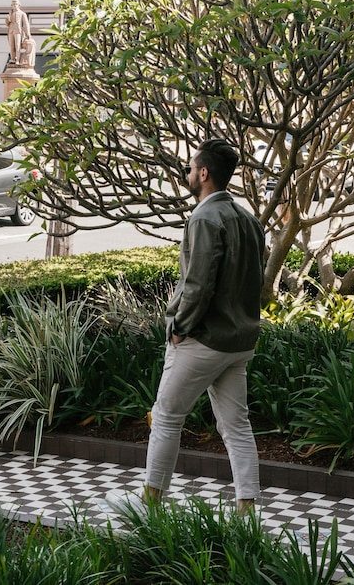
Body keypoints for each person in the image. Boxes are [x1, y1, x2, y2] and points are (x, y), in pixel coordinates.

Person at [123, 138, 266, 515]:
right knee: (236, 425)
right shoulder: (249, 219)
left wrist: (178, 327)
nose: (187, 173)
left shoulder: (205, 218)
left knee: (167, 416)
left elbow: (198, 284)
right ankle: (246, 509)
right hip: (239, 342)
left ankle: (150, 506)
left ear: (203, 173)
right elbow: (255, 282)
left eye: (189, 168)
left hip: (204, 340)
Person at [5, 0, 30, 67]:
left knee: (17, 45)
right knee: (11, 46)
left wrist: (28, 33)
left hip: (18, 31)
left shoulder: (22, 13)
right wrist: (7, 20)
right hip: (11, 30)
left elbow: (26, 24)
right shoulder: (10, 14)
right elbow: (7, 24)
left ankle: (18, 60)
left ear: (19, 5)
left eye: (16, 4)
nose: (14, 6)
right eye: (13, 4)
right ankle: (13, 58)